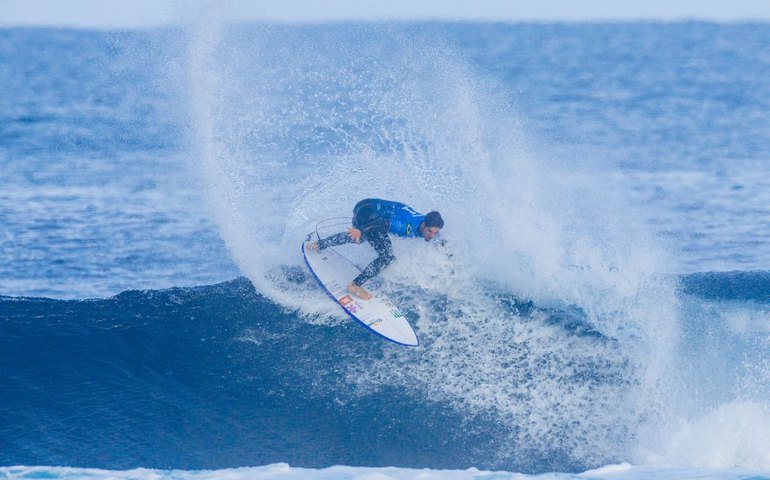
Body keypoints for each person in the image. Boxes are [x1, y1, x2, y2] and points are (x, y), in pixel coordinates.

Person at [306, 198, 444, 300]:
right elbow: (381, 224)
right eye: (429, 231)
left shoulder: (431, 225)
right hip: (367, 213)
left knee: (363, 238)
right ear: (423, 225)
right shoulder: (406, 226)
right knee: (387, 257)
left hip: (368, 205)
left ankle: (318, 244)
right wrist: (360, 230)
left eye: (435, 233)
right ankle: (355, 285)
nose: (432, 236)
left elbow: (439, 238)